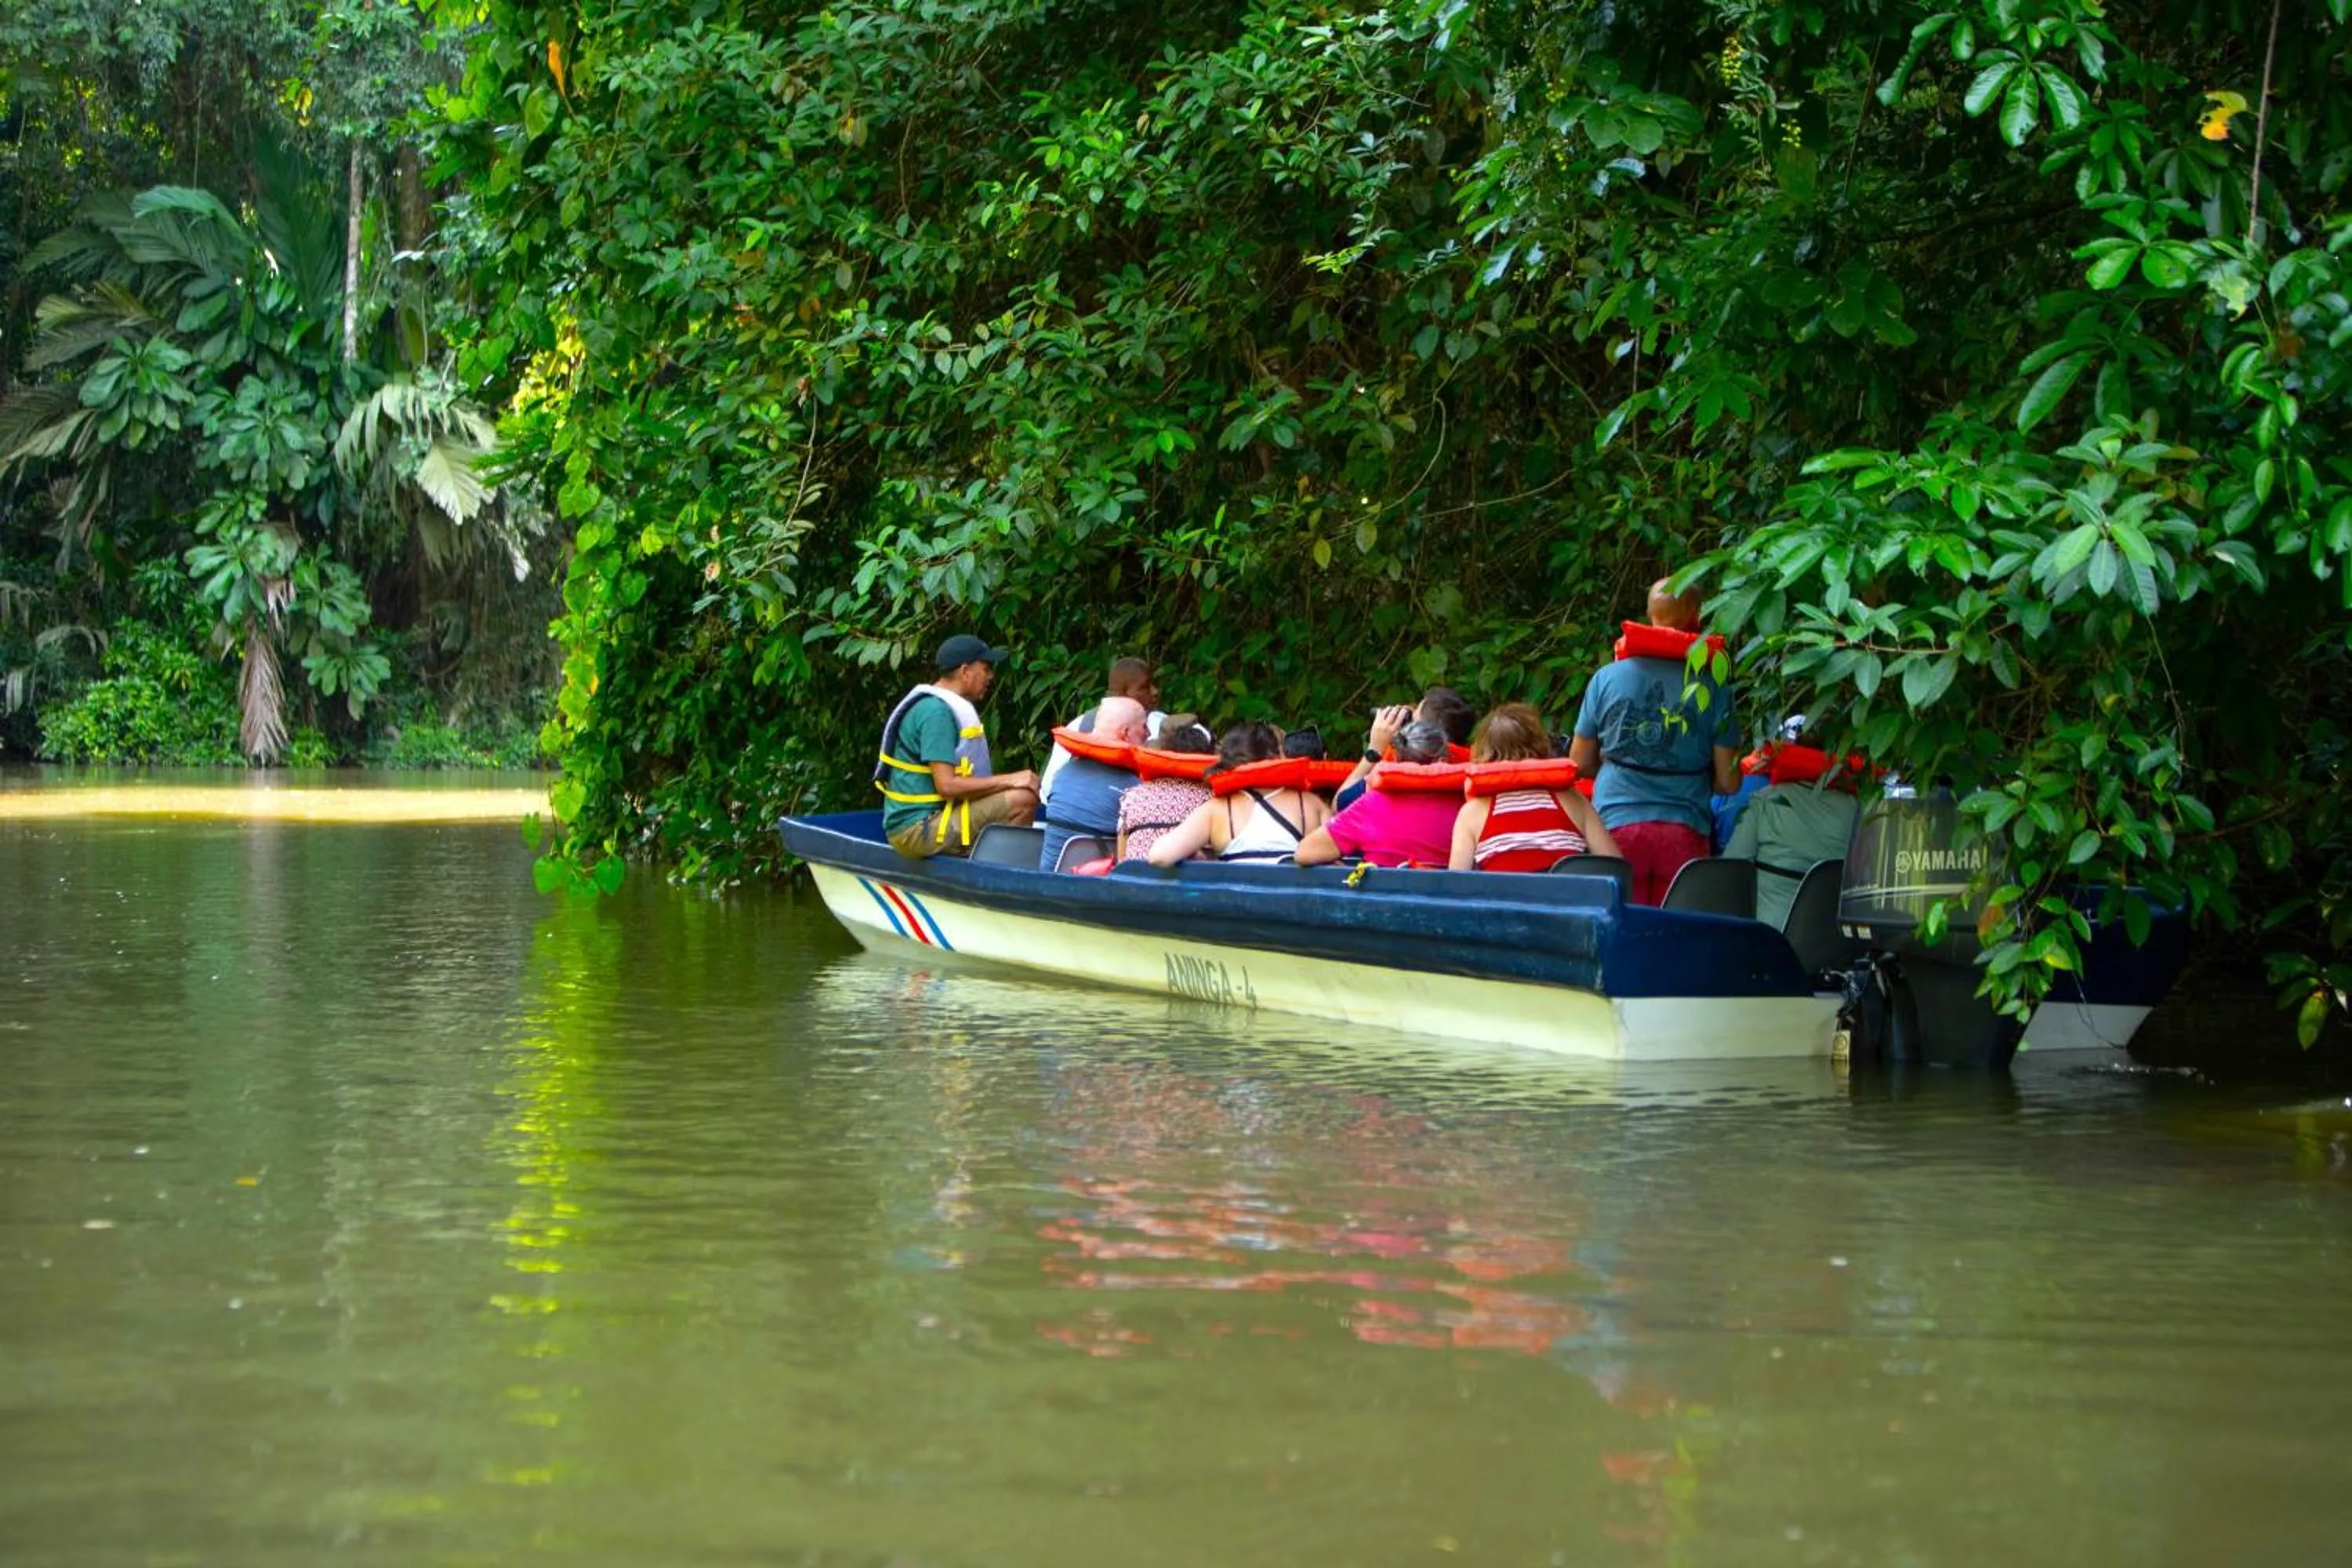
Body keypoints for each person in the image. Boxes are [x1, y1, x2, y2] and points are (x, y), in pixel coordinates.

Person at [1568, 579, 1739, 904]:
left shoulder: (1607, 678)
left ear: (1649, 614)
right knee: (1676, 929)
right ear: (1696, 615)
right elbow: (1729, 782)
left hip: (1616, 827)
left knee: (1622, 926)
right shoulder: (1714, 688)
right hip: (1685, 830)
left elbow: (1578, 763)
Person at [874, 634, 1040, 858]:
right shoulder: (936, 713)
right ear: (965, 671)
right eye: (985, 669)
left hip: (932, 820)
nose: (990, 676)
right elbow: (947, 786)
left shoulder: (938, 706)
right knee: (1022, 800)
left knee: (1013, 792)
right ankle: (1003, 873)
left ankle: (988, 859)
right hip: (917, 830)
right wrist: (1010, 779)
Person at [1448, 703, 1621, 872]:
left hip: (1505, 892)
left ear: (1482, 755)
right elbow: (1616, 866)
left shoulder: (1472, 813)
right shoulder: (1572, 799)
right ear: (1541, 746)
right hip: (1565, 891)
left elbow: (1456, 884)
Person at [1148, 720, 1330, 866]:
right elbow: (1338, 855)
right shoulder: (1310, 804)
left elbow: (1160, 856)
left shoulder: (1216, 809)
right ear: (1277, 757)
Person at [1726, 733, 1862, 927]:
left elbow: (1732, 864)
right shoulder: (1854, 809)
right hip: (1832, 937)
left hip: (1771, 934)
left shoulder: (1766, 801)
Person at [1295, 720, 1462, 868]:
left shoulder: (1370, 805)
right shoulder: (1464, 806)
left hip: (1383, 893)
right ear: (1442, 761)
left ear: (1396, 758)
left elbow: (1304, 853)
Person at [1037, 696, 1148, 872]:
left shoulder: (1063, 774)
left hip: (1047, 878)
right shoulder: (1133, 789)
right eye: (1144, 726)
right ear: (1125, 733)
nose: (1148, 733)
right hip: (1095, 885)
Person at [1037, 656, 1161, 812]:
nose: (1155, 692)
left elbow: (1048, 790)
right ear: (1123, 693)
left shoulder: (1076, 726)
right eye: (1145, 687)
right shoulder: (1157, 725)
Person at [1332, 686, 1475, 810]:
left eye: (1411, 721)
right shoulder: (1471, 774)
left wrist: (1374, 750)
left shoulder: (1391, 776)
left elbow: (1339, 805)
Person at [1116, 713, 1214, 862]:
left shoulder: (1132, 796)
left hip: (1137, 875)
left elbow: (1121, 858)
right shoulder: (1213, 800)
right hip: (1193, 876)